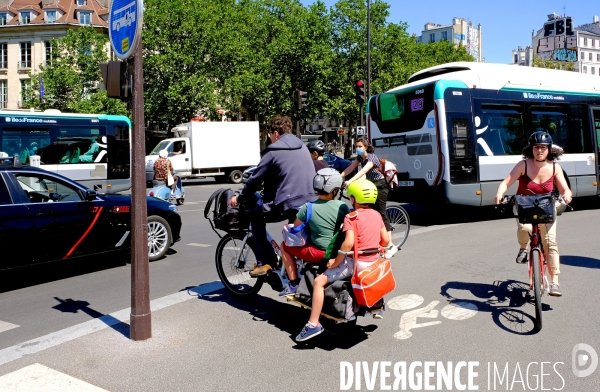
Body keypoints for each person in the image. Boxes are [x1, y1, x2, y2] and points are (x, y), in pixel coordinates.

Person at [295, 179, 389, 342]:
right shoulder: (377, 215)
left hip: (354, 264)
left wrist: (335, 262)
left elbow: (348, 244)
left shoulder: (351, 217)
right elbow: (386, 240)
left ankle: (313, 324)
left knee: (318, 281)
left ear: (353, 199)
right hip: (373, 264)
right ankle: (374, 307)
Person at [230, 115, 317, 276]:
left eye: (269, 135)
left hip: (289, 202)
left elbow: (255, 180)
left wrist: (239, 198)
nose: (270, 138)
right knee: (293, 235)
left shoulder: (273, 151)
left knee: (256, 215)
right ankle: (292, 266)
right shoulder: (302, 146)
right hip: (311, 200)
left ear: (275, 133)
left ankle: (265, 262)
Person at [494, 131, 572, 297]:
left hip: (546, 208)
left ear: (549, 149)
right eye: (536, 147)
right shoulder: (523, 165)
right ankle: (523, 248)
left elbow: (565, 188)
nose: (539, 151)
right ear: (532, 149)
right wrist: (500, 193)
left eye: (543, 147)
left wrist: (567, 194)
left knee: (550, 242)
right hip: (525, 206)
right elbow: (506, 182)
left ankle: (555, 282)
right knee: (524, 229)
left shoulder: (554, 167)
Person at [279, 168, 350, 296]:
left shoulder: (308, 207)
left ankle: (293, 284)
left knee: (284, 246)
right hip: (336, 252)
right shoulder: (342, 206)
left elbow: (295, 227)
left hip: (319, 253)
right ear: (334, 191)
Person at [340, 138, 397, 259]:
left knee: (381, 213)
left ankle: (390, 245)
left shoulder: (371, 157)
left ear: (366, 147)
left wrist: (350, 180)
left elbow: (364, 171)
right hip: (371, 185)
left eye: (360, 146)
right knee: (370, 212)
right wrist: (339, 176)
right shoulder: (360, 158)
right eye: (357, 146)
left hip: (381, 185)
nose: (358, 148)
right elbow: (350, 168)